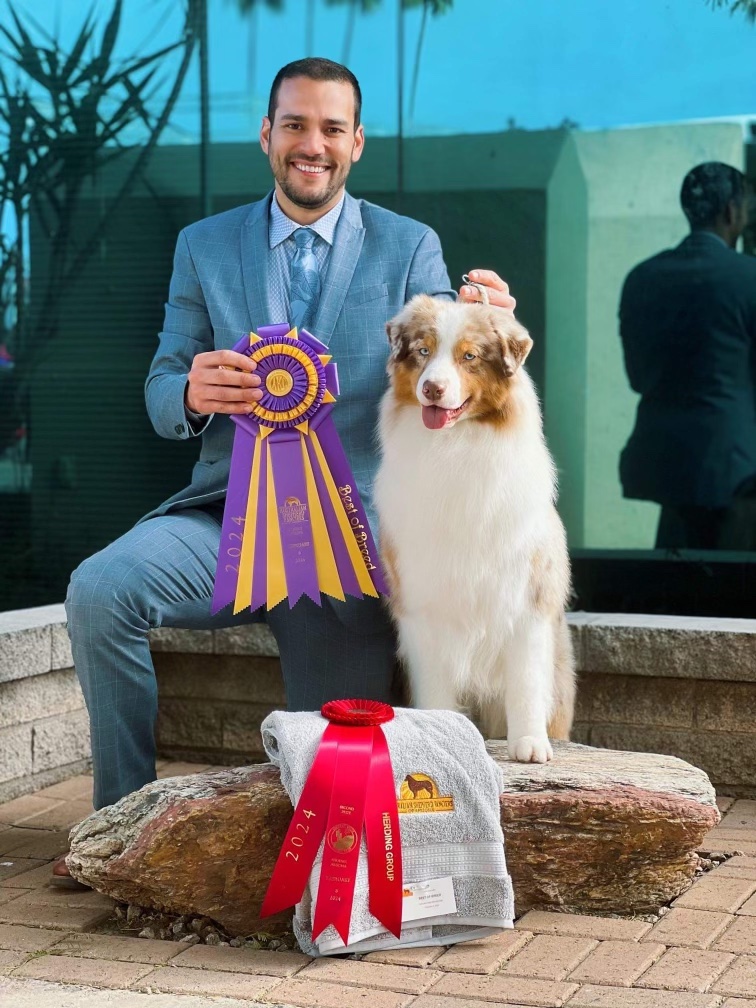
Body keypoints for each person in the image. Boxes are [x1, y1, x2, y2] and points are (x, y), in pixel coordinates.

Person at [54, 58, 515, 883]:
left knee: (337, 790)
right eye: (295, 124)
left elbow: (445, 378)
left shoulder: (409, 247)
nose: (313, 144)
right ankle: (118, 828)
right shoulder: (203, 245)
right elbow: (162, 386)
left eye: (331, 128)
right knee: (99, 590)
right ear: (267, 133)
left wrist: (488, 337)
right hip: (222, 519)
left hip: (352, 538)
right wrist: (189, 392)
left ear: (357, 143)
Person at [619, 161, 756, 550]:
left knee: (674, 578)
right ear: (732, 211)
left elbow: (637, 377)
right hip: (738, 472)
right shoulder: (749, 278)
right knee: (731, 582)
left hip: (664, 464)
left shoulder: (642, 277)